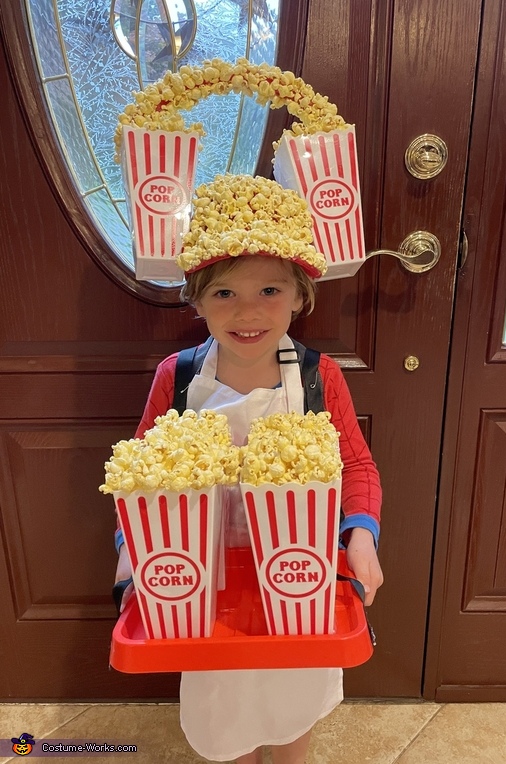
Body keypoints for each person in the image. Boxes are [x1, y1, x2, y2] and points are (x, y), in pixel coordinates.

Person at [114, 174, 383, 764]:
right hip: (208, 591)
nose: (248, 312)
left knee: (292, 703)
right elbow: (137, 478)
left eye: (270, 291)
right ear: (196, 299)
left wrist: (360, 535)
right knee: (225, 712)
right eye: (224, 294)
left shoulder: (319, 378)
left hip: (295, 580)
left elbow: (356, 463)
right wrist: (133, 554)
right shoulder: (178, 378)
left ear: (299, 297)